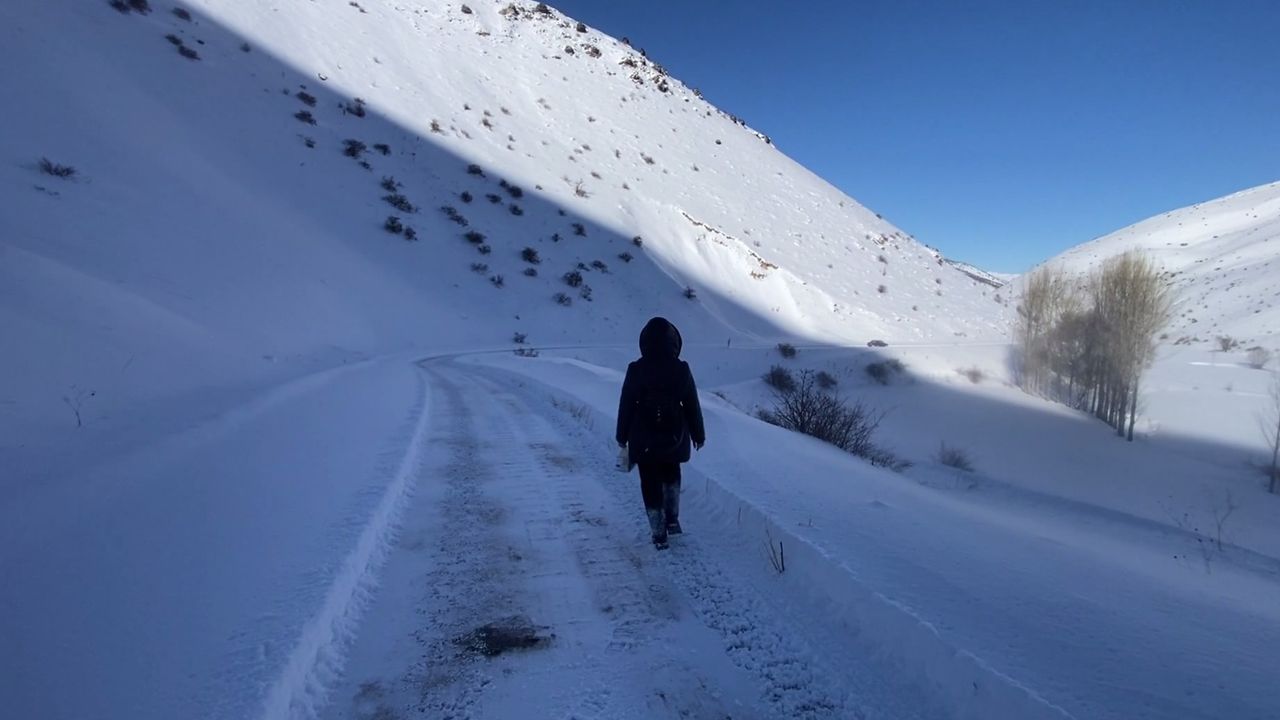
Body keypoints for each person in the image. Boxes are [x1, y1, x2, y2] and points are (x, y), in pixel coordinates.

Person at [616, 317, 706, 549]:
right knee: (671, 474)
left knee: (649, 480)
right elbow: (692, 404)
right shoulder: (681, 368)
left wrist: (621, 435)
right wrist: (698, 433)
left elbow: (626, 403)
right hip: (673, 434)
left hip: (642, 435)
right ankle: (673, 520)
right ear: (674, 342)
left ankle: (658, 532)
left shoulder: (636, 369)